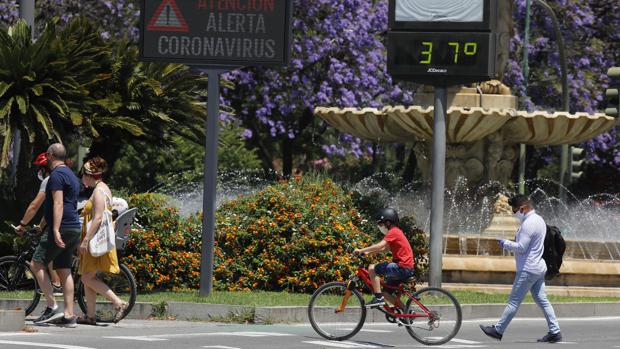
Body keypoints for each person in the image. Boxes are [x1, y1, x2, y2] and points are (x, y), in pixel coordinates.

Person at [480, 194, 562, 343]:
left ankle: (498, 330)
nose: (513, 213)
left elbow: (522, 247)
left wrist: (504, 243)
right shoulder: (539, 220)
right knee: (542, 299)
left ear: (523, 208)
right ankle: (555, 331)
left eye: (515, 210)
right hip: (538, 267)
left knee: (513, 302)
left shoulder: (529, 223)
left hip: (528, 269)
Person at [30, 143, 82, 327]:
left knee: (36, 263)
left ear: (51, 155)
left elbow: (58, 204)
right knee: (64, 270)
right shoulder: (72, 175)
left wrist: (54, 229)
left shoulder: (56, 176)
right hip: (74, 227)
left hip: (62, 227)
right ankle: (69, 316)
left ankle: (52, 306)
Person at [77, 156, 128, 325]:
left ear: (90, 175)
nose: (82, 178)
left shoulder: (98, 192)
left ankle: (118, 303)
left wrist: (85, 241)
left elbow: (98, 218)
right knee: (88, 276)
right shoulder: (105, 189)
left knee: (86, 278)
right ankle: (90, 315)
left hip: (94, 239)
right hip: (98, 238)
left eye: (83, 174)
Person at [15, 152, 62, 295]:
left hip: (63, 223)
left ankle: (56, 284)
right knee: (51, 253)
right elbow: (50, 211)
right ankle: (58, 283)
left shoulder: (48, 180)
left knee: (44, 254)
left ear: (44, 168)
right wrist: (40, 226)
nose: (38, 172)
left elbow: (34, 206)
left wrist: (22, 225)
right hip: (72, 221)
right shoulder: (62, 176)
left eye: (39, 169)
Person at [354, 208, 415, 308]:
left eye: (381, 224)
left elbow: (379, 245)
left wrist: (361, 250)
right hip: (405, 268)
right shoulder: (396, 232)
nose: (380, 227)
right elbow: (384, 249)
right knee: (386, 293)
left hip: (402, 267)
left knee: (372, 268)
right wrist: (368, 252)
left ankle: (378, 298)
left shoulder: (393, 231)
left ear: (388, 222)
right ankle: (406, 310)